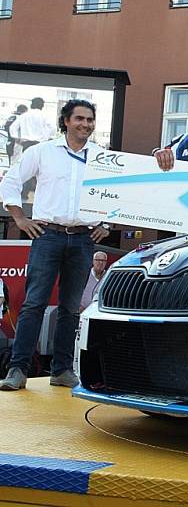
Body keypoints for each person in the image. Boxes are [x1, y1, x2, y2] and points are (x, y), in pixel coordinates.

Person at [0, 99, 110, 391]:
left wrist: (106, 224)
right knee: (34, 303)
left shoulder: (101, 157)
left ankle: (61, 370)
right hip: (47, 235)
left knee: (71, 308)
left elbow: (117, 193)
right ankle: (17, 370)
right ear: (66, 121)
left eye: (90, 120)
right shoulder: (42, 152)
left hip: (83, 239)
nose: (85, 124)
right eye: (80, 119)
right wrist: (20, 219)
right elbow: (10, 181)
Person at [9, 97, 56, 163]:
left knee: (26, 164)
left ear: (32, 104)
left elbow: (13, 128)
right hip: (40, 144)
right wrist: (48, 138)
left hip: (26, 144)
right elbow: (53, 128)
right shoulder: (45, 116)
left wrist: (18, 139)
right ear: (42, 106)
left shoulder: (24, 115)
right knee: (37, 165)